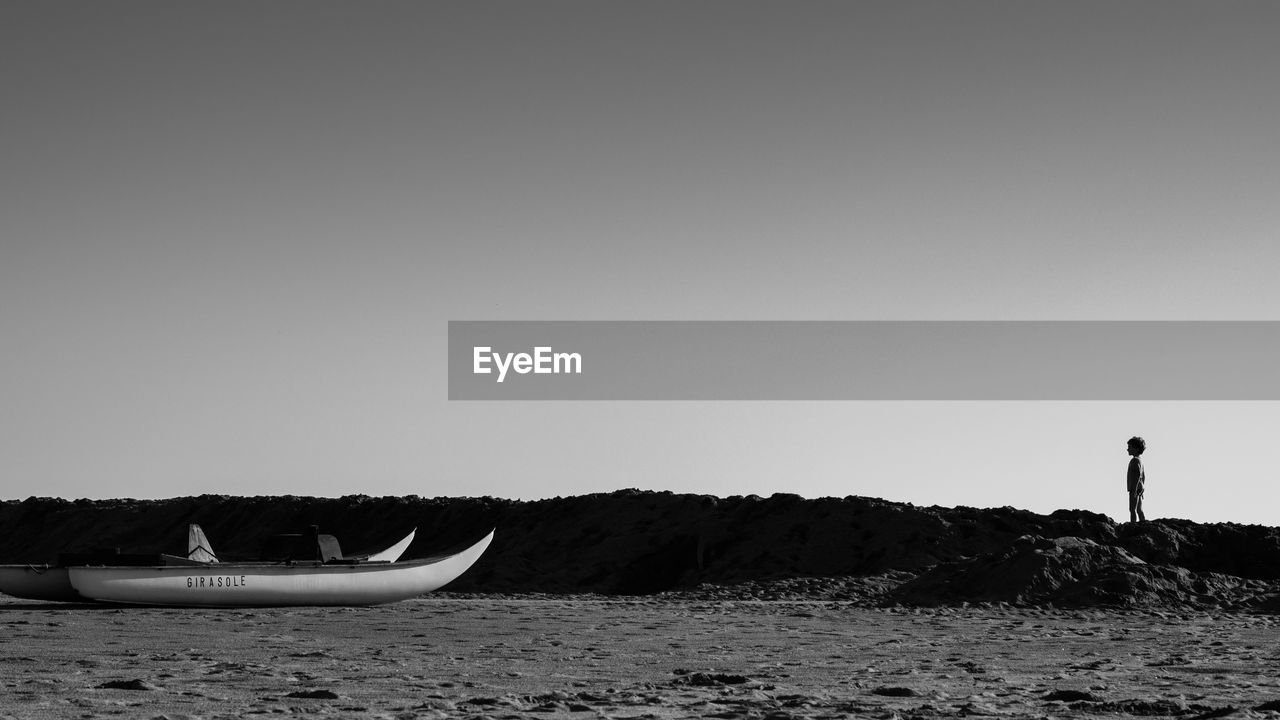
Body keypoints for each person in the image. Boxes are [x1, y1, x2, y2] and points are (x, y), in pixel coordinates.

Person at [1126, 436, 1146, 522]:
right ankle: (1143, 523)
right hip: (1140, 487)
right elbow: (1143, 476)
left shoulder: (1134, 460)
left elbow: (1138, 474)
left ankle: (1133, 524)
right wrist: (1142, 487)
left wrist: (1134, 489)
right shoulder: (1140, 461)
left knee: (1132, 509)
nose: (1127, 449)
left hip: (1135, 488)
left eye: (1130, 447)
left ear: (1136, 449)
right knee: (1139, 509)